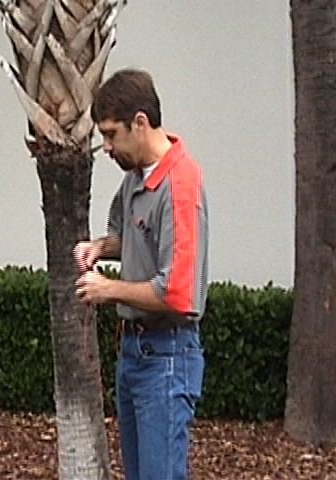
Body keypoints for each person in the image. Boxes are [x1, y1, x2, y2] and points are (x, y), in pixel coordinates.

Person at [74, 68, 208, 480]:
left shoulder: (180, 184)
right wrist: (100, 247)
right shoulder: (135, 177)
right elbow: (128, 235)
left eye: (112, 135)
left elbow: (178, 293)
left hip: (166, 357)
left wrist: (107, 289)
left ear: (140, 123)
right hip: (132, 355)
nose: (107, 147)